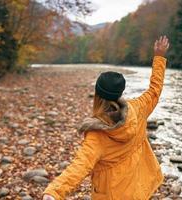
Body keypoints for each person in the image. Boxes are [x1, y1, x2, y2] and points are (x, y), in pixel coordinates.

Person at [43, 36, 170, 200]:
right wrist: (159, 56)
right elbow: (155, 90)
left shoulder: (98, 134)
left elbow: (80, 166)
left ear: (97, 95)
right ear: (120, 93)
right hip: (139, 188)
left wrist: (54, 192)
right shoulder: (138, 108)